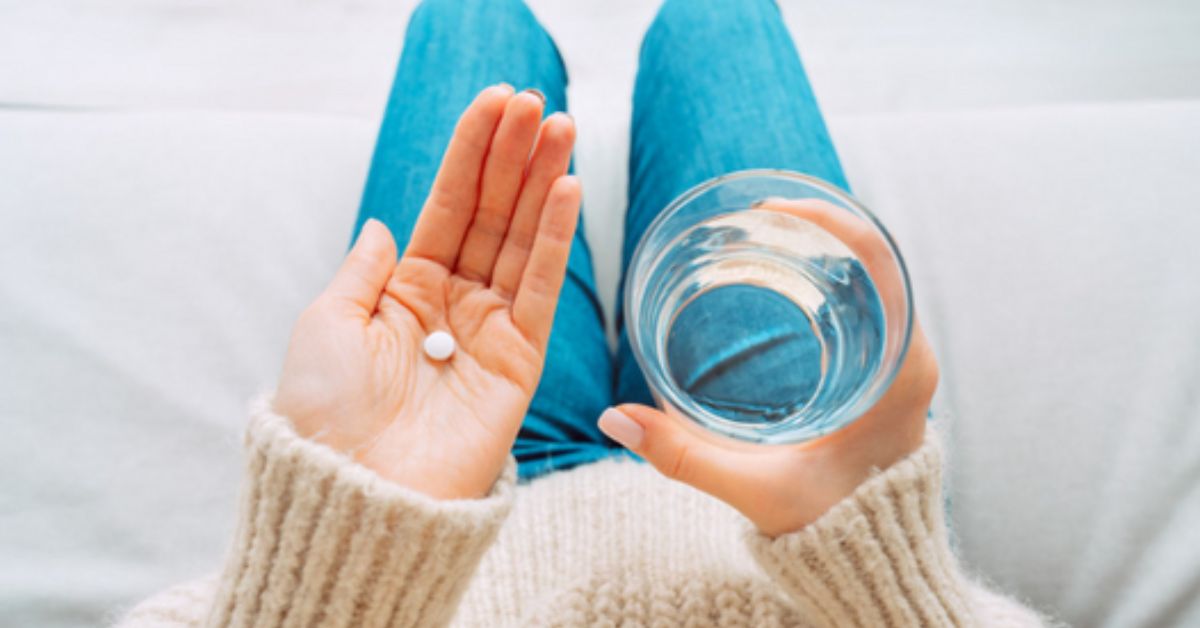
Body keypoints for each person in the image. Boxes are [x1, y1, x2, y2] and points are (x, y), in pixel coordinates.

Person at [118, 0, 1050, 625]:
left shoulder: (384, 512)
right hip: (795, 508)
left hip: (439, 511)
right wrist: (879, 558)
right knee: (715, 19)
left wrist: (354, 534)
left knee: (470, 18)